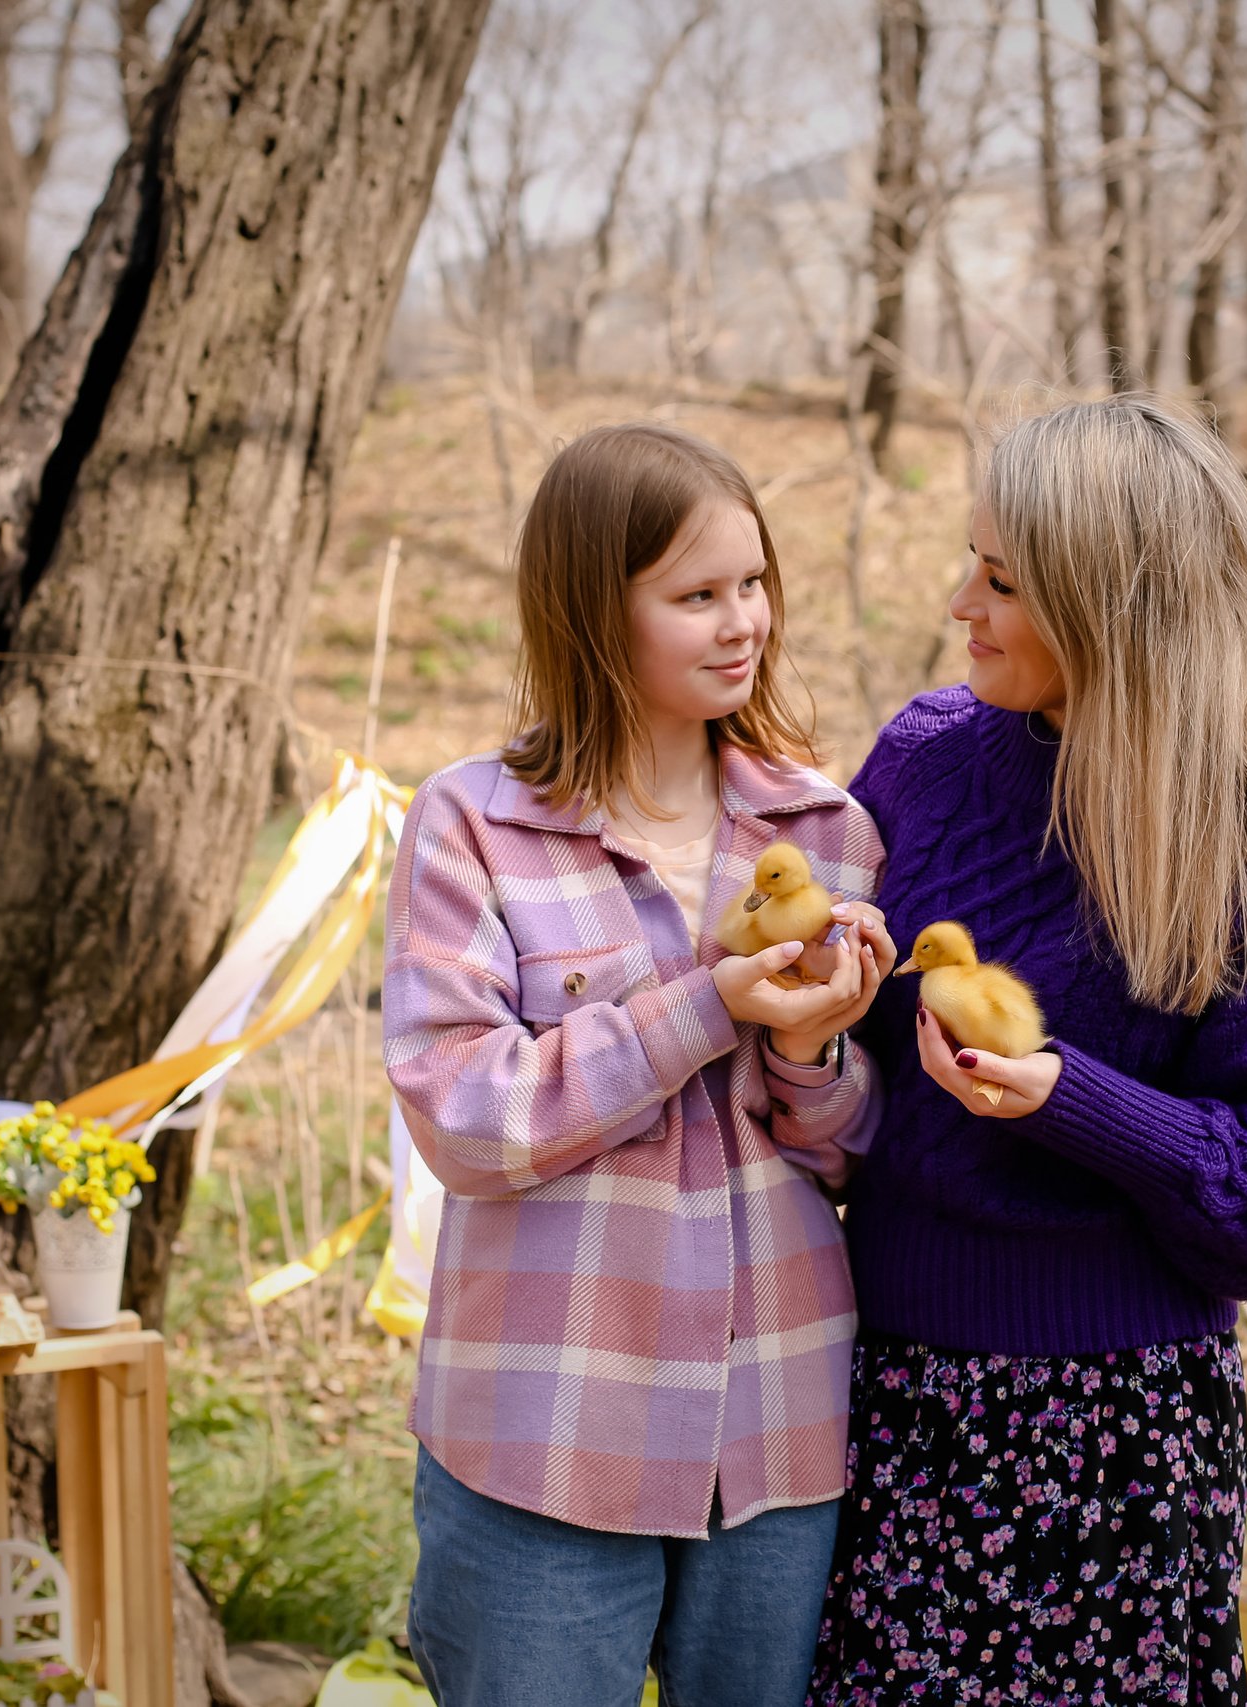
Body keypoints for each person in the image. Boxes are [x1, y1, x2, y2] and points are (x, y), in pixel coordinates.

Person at [806, 396, 1247, 1706]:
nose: (961, 598)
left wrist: (1074, 1099)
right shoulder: (922, 761)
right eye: (972, 560)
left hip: (1115, 1438)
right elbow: (817, 1049)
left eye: (1004, 578)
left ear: (1112, 605)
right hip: (887, 1393)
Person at [384, 422, 894, 1707]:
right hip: (544, 1435)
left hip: (774, 1430)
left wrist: (808, 1046)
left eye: (753, 584)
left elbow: (851, 1148)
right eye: (695, 596)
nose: (743, 625)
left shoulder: (825, 829)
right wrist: (701, 1011)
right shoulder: (472, 828)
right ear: (591, 614)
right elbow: (466, 1120)